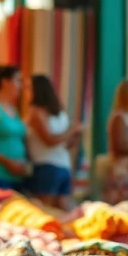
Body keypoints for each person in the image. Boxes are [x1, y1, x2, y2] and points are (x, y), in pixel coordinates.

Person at [26, 74, 83, 208]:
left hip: (47, 167)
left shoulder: (36, 113)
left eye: (29, 87)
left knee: (45, 211)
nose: (25, 91)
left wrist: (72, 131)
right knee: (62, 210)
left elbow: (50, 140)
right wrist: (73, 132)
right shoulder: (60, 114)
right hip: (63, 166)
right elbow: (67, 144)